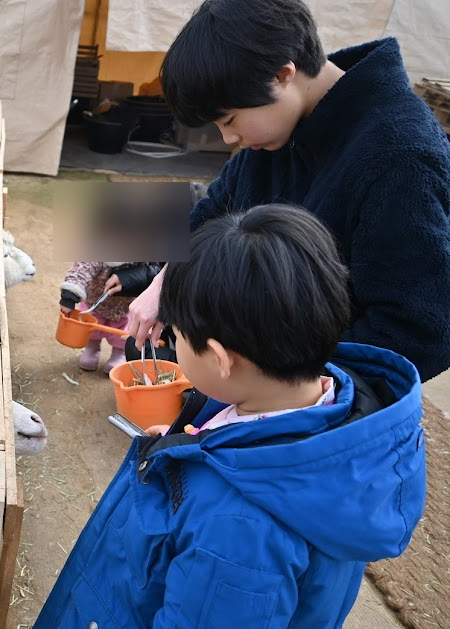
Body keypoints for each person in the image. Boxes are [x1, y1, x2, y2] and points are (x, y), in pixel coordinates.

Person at [34, 204, 426, 629]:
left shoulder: (236, 532)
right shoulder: (329, 422)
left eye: (177, 335)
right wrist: (189, 446)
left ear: (221, 359)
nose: (173, 342)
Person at [124, 0, 450, 382]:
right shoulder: (282, 127)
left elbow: (419, 331)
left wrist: (278, 386)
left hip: (319, 396)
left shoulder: (401, 156)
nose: (229, 138)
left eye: (230, 120)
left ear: (282, 75)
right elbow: (216, 210)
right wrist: (165, 283)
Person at [60, 262, 161, 373]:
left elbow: (154, 269)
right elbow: (82, 269)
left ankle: (119, 353)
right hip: (95, 303)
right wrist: (70, 294)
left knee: (122, 332)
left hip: (125, 307)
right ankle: (92, 348)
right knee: (92, 328)